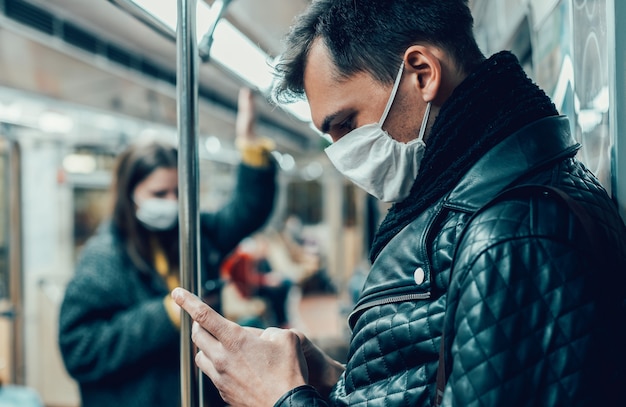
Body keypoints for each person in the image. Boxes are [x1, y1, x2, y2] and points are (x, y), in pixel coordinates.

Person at [172, 1, 626, 406]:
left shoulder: (510, 234)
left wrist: (279, 399)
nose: (343, 154)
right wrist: (336, 383)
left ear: (422, 73)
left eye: (347, 124)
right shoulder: (486, 201)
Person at [58, 88, 277, 407]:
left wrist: (249, 144)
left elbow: (248, 211)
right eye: (159, 194)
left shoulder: (193, 232)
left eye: (178, 192)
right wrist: (165, 315)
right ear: (130, 194)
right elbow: (79, 350)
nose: (172, 204)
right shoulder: (104, 259)